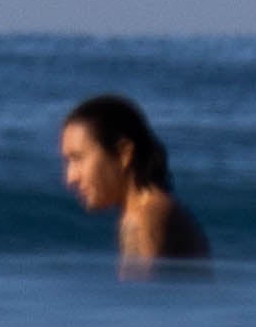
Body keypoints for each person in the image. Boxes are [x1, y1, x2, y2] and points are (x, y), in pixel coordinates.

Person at [60, 93, 211, 277]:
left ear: (124, 154)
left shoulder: (142, 220)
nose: (70, 177)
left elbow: (140, 302)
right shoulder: (158, 208)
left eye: (78, 159)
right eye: (68, 161)